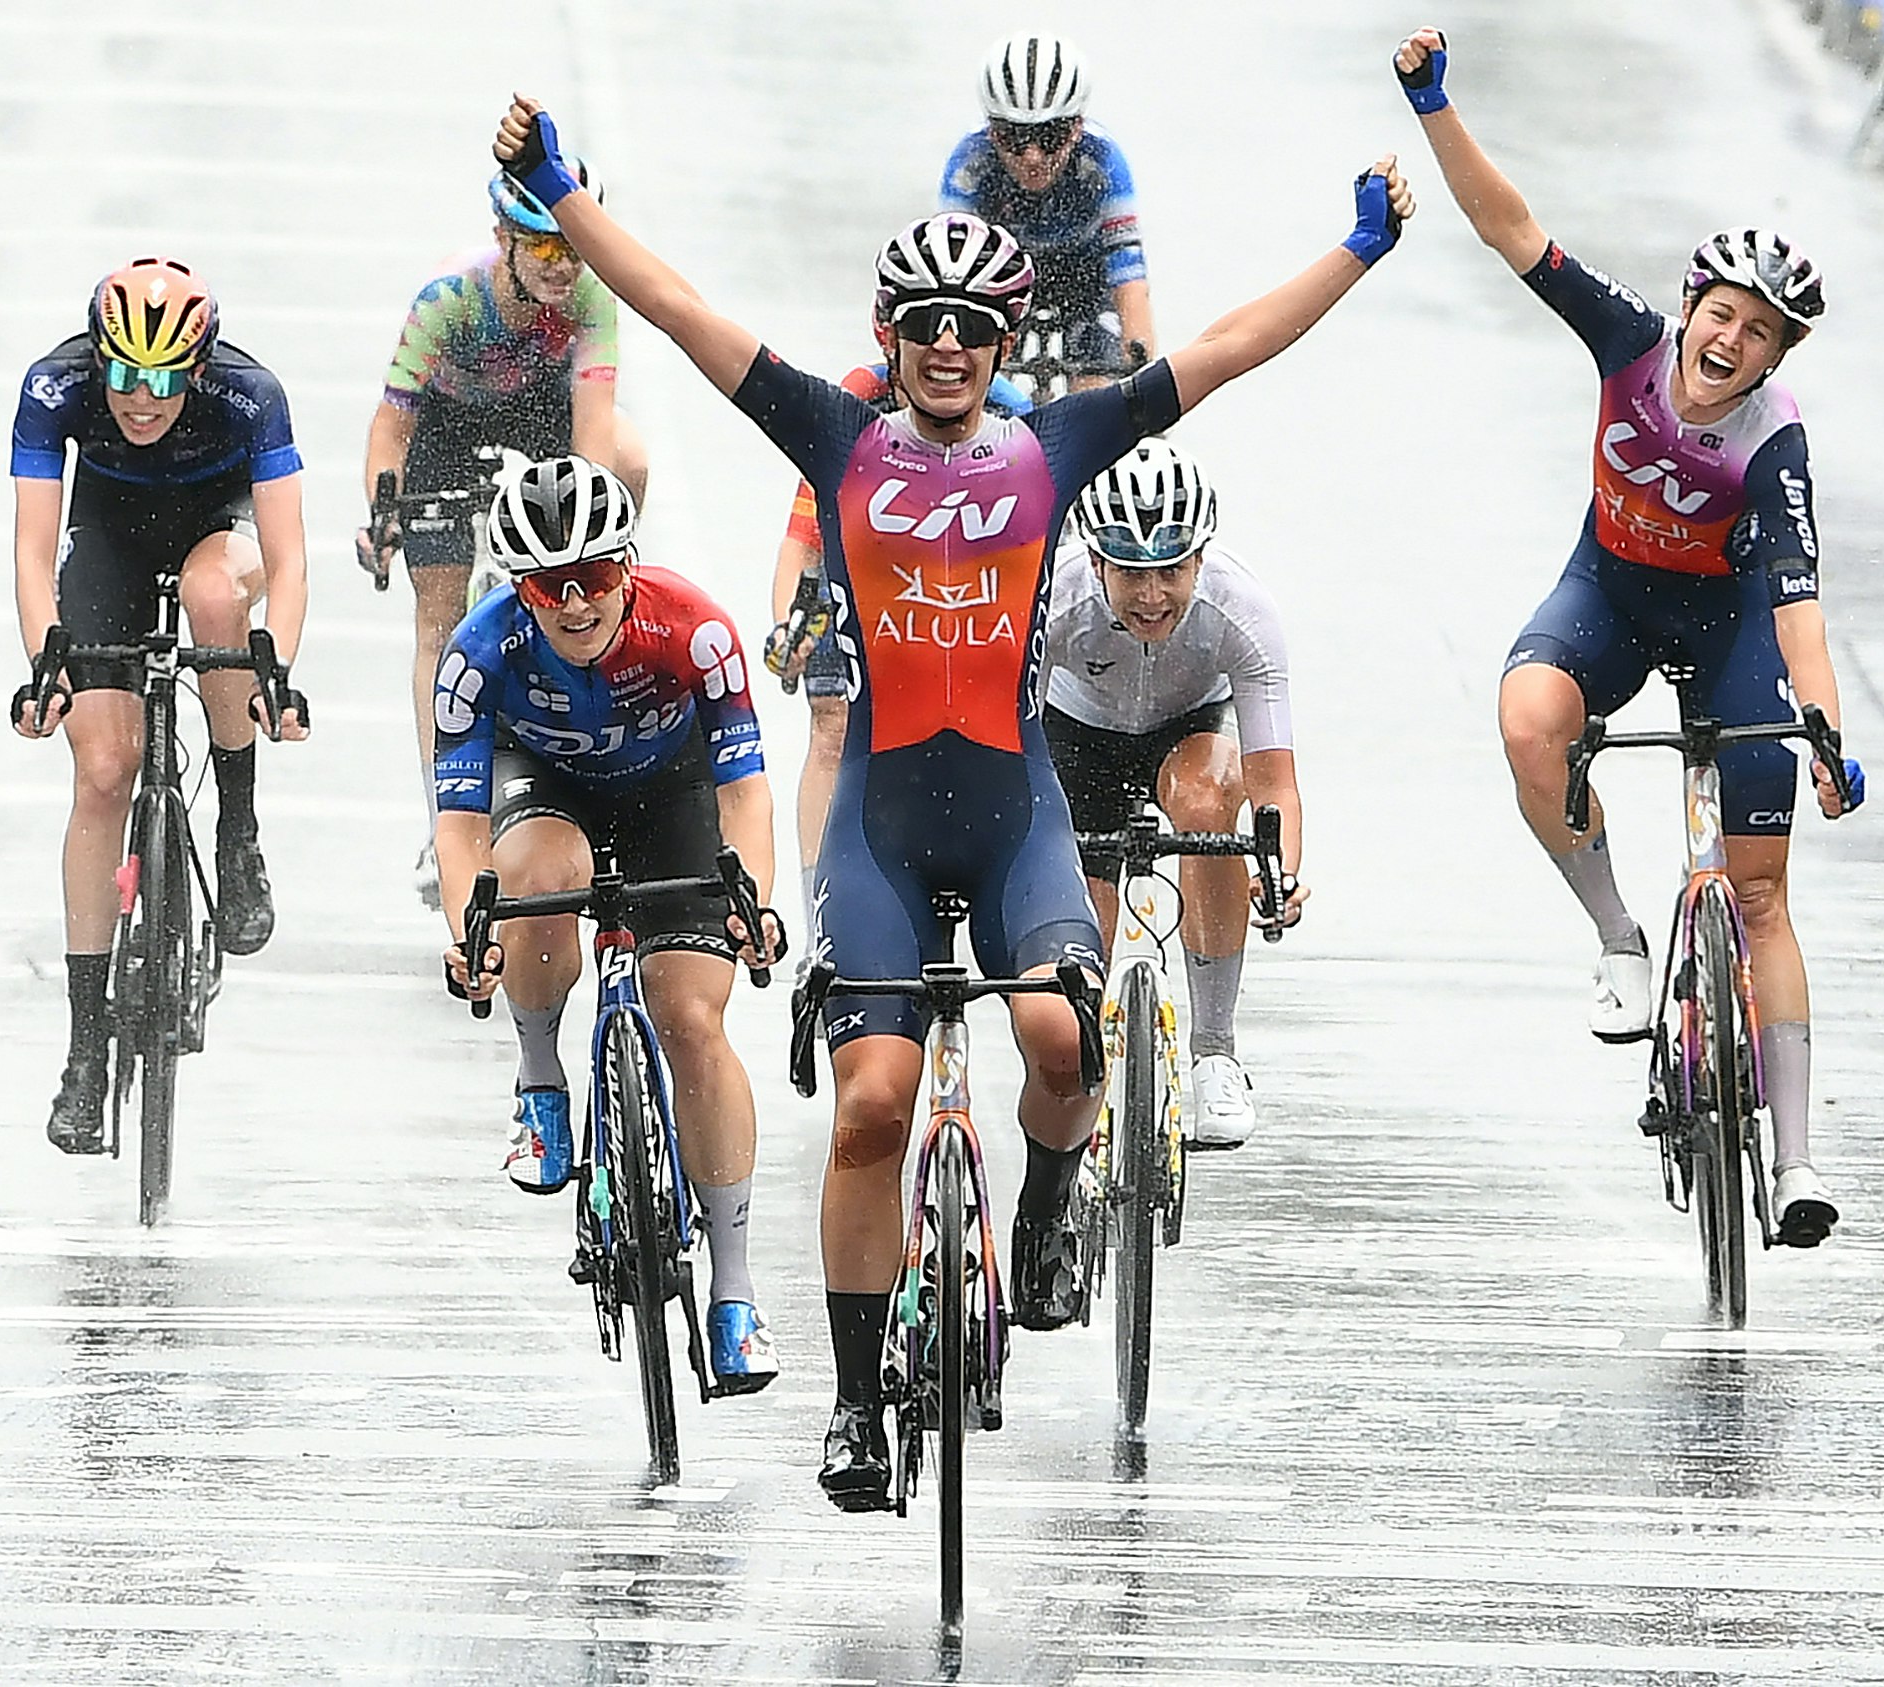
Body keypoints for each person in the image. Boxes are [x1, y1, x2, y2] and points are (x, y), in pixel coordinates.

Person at [490, 91, 1410, 1509]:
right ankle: (858, 1404)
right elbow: (675, 307)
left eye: (969, 329)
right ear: (894, 337)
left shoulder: (1055, 449)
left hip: (1015, 804)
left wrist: (1356, 249)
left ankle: (1048, 1210)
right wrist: (558, 189)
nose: (943, 348)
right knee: (871, 1102)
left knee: (1059, 1034)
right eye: (920, 325)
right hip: (880, 818)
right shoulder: (838, 437)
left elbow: (1222, 352)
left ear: (998, 343)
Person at [1393, 27, 1856, 1243]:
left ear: (1775, 355)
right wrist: (1435, 104)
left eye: (1758, 332)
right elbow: (1511, 230)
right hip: (1607, 588)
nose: (1729, 340)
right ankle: (1617, 932)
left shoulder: (1774, 439)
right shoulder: (1630, 342)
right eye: (1721, 312)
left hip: (1731, 620)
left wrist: (1824, 727)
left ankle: (1798, 1162)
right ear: (1692, 304)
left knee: (1760, 895)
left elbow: (1800, 594)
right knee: (1530, 724)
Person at [435, 456, 786, 1390]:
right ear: (521, 589)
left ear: (629, 567)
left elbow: (747, 789)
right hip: (544, 792)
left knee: (693, 1022)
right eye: (551, 587)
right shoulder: (479, 651)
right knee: (544, 875)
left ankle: (737, 1293)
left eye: (594, 579)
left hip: (674, 794)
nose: (576, 604)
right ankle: (542, 1076)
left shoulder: (695, 629)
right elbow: (462, 826)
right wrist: (471, 931)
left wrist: (753, 898)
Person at [9, 258, 311, 1154]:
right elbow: (33, 553)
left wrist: (279, 667)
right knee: (104, 769)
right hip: (108, 540)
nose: (143, 398)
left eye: (166, 378)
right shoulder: (55, 385)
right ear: (97, 357)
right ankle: (85, 1049)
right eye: (126, 374)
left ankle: (238, 832)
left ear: (202, 365)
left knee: (217, 599)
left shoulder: (252, 396)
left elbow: (288, 562)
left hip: (217, 534)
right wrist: (45, 662)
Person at [361, 166, 650, 906]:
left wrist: (590, 539)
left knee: (631, 460)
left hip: (543, 415)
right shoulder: (449, 300)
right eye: (543, 251)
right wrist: (383, 513)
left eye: (573, 250)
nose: (563, 268)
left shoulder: (591, 297)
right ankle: (443, 816)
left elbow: (592, 430)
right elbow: (392, 426)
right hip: (448, 428)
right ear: (503, 241)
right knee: (440, 619)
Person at [1043, 440, 1306, 1146]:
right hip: (1075, 733)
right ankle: (1076, 1074)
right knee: (1079, 931)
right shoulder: (1053, 599)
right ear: (1095, 560)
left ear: (1200, 558)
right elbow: (1005, 751)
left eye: (1170, 570)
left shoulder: (1241, 608)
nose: (1152, 595)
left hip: (1186, 731)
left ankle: (1215, 1050)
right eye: (1130, 572)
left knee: (1210, 799)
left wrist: (1280, 873)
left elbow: (1272, 776)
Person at [766, 338, 1032, 924]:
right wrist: (789, 626)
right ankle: (823, 915)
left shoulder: (1011, 408)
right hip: (869, 572)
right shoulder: (860, 396)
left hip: (969, 582)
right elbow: (804, 535)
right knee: (833, 721)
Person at [940, 33, 1156, 391]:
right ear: (993, 132)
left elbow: (1127, 271)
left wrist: (1140, 364)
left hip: (1085, 276)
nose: (1033, 157)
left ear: (1076, 128)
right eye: (1014, 137)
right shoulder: (969, 164)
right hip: (1001, 274)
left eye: (1051, 136)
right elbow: (954, 274)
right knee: (980, 386)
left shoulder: (1103, 161)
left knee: (1098, 401)